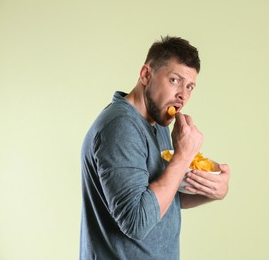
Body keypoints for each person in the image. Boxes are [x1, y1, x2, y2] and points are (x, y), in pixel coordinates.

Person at [79, 36, 230, 260]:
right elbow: (137, 222)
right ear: (146, 75)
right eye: (174, 80)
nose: (183, 95)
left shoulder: (157, 122)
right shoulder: (120, 127)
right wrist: (183, 155)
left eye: (189, 86)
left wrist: (214, 191)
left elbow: (164, 199)